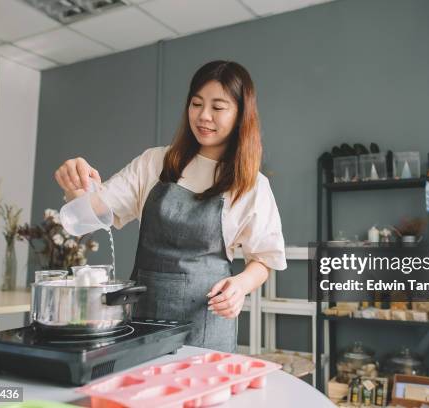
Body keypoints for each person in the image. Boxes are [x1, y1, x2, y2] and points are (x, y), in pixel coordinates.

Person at [54, 60, 287, 352]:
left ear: (241, 115)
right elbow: (94, 213)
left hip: (206, 328)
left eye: (218, 107)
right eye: (196, 103)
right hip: (141, 323)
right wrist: (76, 186)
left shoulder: (251, 184)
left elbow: (265, 258)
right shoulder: (155, 163)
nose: (203, 116)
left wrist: (240, 286)